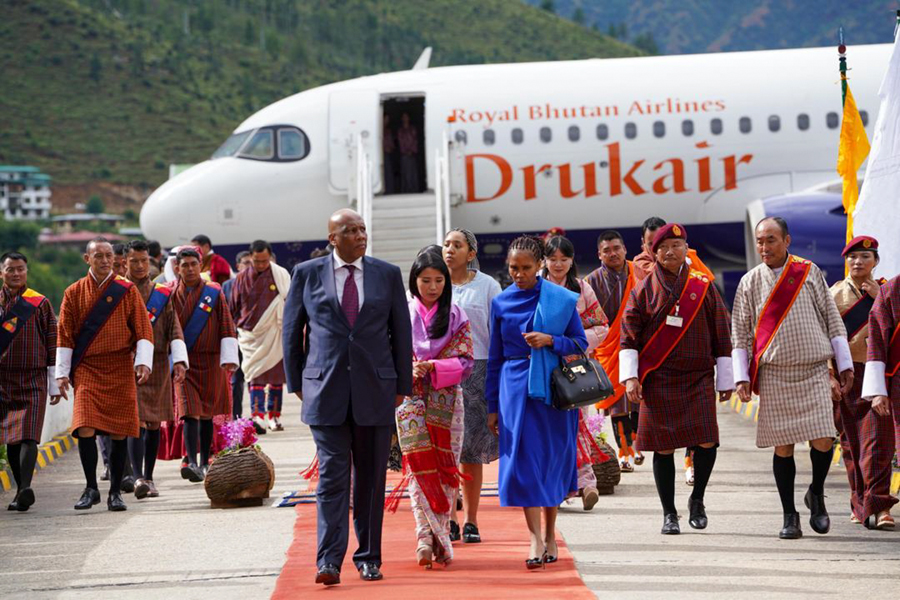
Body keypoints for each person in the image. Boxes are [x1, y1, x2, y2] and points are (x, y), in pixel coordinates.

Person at [283, 209, 413, 586]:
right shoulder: (306, 274)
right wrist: (297, 382)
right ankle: (328, 560)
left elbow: (400, 334)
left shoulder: (386, 274)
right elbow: (293, 332)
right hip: (324, 392)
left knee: (371, 481)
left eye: (362, 229)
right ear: (332, 238)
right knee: (332, 479)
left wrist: (400, 384)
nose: (360, 236)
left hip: (376, 391)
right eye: (350, 231)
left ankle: (369, 557)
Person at [732, 217, 853, 539]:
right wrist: (741, 377)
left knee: (824, 439)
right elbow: (740, 332)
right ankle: (789, 516)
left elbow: (831, 318)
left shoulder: (808, 271)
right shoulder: (749, 282)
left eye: (771, 240)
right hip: (775, 373)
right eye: (759, 241)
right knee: (783, 447)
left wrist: (843, 366)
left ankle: (816, 493)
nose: (764, 247)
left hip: (813, 368)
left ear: (786, 241)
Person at [620, 224, 734, 534]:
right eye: (664, 246)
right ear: (653, 252)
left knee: (708, 440)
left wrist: (726, 379)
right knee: (663, 448)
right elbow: (628, 337)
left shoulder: (703, 286)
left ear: (687, 249)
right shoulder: (643, 290)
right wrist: (631, 377)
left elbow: (722, 332)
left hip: (698, 377)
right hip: (658, 379)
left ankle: (697, 500)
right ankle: (669, 514)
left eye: (677, 245)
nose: (671, 251)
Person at [485, 235, 588, 569]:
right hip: (514, 391)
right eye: (513, 268)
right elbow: (494, 358)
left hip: (554, 389)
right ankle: (534, 537)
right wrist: (491, 406)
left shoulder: (559, 298)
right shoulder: (501, 302)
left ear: (540, 264)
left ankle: (550, 531)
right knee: (524, 464)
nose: (518, 274)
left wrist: (550, 340)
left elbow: (580, 343)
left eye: (526, 267)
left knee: (551, 461)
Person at [56, 237, 154, 512]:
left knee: (120, 431)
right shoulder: (73, 292)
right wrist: (62, 374)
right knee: (85, 426)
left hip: (120, 365)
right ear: (87, 259)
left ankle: (115, 492)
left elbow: (143, 328)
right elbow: (64, 333)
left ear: (116, 259)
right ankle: (91, 488)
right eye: (98, 255)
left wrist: (143, 362)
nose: (104, 260)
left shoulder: (126, 290)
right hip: (87, 367)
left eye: (108, 255)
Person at [395, 251, 473, 568]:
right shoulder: (400, 314)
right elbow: (388, 354)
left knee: (445, 470)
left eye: (439, 280)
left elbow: (466, 360)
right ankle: (423, 537)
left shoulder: (456, 314)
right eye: (425, 280)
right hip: (410, 401)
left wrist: (434, 366)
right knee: (417, 468)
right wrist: (407, 368)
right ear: (414, 281)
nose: (432, 286)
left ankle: (438, 535)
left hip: (447, 401)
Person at [442, 228, 501, 543]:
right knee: (447, 449)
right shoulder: (433, 281)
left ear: (472, 253)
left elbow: (498, 331)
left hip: (479, 370)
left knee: (472, 451)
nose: (450, 250)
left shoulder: (488, 285)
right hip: (444, 373)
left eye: (458, 245)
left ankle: (472, 521)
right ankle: (449, 517)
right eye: (447, 244)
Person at [543, 235, 609, 511]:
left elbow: (601, 326)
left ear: (572, 261)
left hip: (574, 369)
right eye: (553, 259)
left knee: (578, 425)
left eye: (564, 259)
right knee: (549, 429)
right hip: (543, 367)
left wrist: (575, 340)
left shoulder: (583, 289)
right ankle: (557, 487)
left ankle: (587, 483)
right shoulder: (535, 287)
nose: (558, 264)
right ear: (544, 260)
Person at [836, 236, 895, 529]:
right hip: (847, 376)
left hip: (877, 377)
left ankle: (880, 505)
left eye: (865, 257)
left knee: (879, 443)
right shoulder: (833, 294)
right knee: (851, 444)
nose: (858, 262)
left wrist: (878, 297)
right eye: (853, 257)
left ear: (876, 262)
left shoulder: (887, 291)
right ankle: (858, 501)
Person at [125, 240, 188, 499]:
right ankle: (136, 475)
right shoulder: (119, 290)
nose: (140, 266)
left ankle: (149, 477)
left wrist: (180, 360)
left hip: (159, 363)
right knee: (136, 421)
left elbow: (173, 325)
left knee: (153, 423)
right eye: (134, 261)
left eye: (144, 261)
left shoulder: (162, 293)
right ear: (125, 262)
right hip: (129, 363)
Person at [170, 247, 239, 482]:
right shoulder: (169, 294)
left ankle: (204, 462)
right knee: (189, 412)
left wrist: (229, 358)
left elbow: (226, 323)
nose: (189, 269)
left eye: (193, 264)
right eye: (185, 265)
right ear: (177, 268)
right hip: (184, 363)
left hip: (210, 360)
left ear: (201, 266)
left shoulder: (213, 292)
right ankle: (190, 460)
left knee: (207, 413)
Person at [0, 252, 60, 511]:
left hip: (34, 377)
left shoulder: (40, 303)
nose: (16, 274)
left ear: (27, 271)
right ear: (2, 272)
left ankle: (25, 487)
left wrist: (56, 381)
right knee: (11, 438)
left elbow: (52, 340)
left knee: (29, 436)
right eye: (10, 269)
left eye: (20, 269)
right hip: (2, 380)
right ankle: (20, 492)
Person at [584, 230, 643, 472]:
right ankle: (624, 452)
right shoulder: (590, 282)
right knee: (617, 403)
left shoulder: (638, 273)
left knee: (637, 399)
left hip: (637, 344)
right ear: (599, 255)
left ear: (625, 249)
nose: (613, 253)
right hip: (608, 347)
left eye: (616, 248)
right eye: (606, 250)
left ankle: (639, 444)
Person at [231, 240, 291, 432]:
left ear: (270, 257)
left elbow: (289, 301)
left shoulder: (280, 275)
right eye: (257, 261)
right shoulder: (241, 278)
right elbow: (234, 306)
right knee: (255, 375)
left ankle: (274, 416)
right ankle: (257, 415)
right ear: (251, 258)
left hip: (274, 331)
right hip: (250, 335)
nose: (261, 265)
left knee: (275, 376)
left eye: (264, 261)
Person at [861, 272, 900, 529]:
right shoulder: (892, 291)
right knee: (878, 446)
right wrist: (878, 390)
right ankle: (876, 505)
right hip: (897, 382)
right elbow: (876, 341)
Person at [632, 217, 714, 282]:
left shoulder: (687, 254)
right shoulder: (640, 262)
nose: (655, 249)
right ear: (643, 242)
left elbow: (708, 284)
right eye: (651, 244)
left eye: (660, 244)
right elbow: (659, 275)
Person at [224, 250, 252, 420]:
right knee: (236, 380)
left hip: (254, 339)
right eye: (246, 263)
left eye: (252, 263)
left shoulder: (260, 284)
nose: (250, 267)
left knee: (256, 380)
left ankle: (259, 416)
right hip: (235, 338)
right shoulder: (227, 286)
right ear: (238, 266)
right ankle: (236, 416)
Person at [397, 112, 420, 193]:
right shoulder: (400, 130)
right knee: (405, 173)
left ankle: (414, 189)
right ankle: (406, 189)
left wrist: (412, 151)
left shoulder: (412, 129)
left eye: (406, 117)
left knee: (413, 172)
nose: (405, 118)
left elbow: (415, 141)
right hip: (404, 155)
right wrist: (405, 151)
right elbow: (400, 142)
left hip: (412, 154)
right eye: (404, 117)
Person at [383, 114, 398, 195]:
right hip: (383, 154)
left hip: (389, 154)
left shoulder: (388, 131)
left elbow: (391, 142)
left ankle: (390, 190)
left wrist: (390, 148)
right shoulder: (380, 131)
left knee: (389, 173)